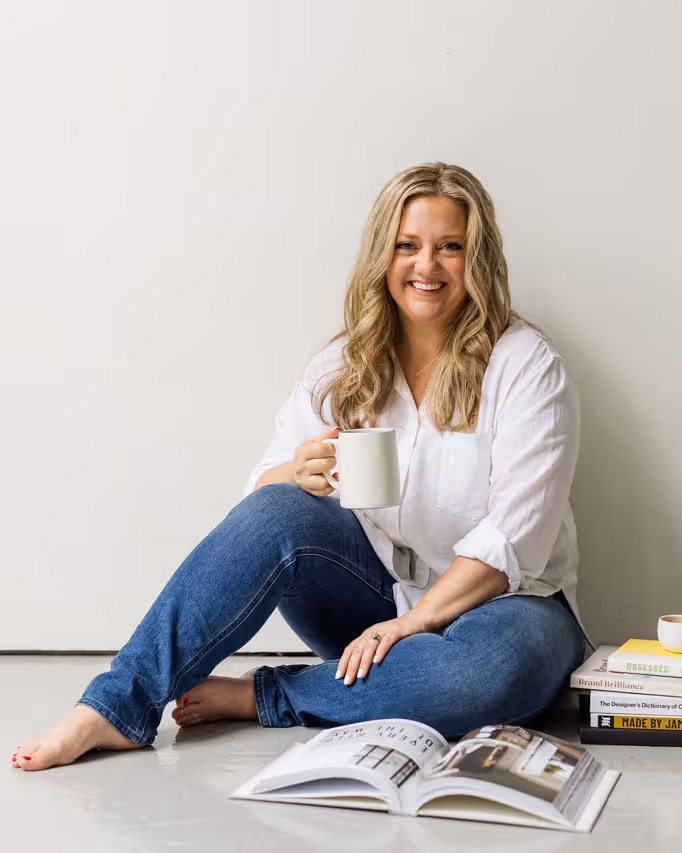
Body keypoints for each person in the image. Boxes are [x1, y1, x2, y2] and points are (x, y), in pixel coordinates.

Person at [11, 162, 586, 772]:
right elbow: (257, 507)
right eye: (407, 246)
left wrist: (412, 626)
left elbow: (511, 544)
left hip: (508, 612)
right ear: (381, 257)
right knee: (278, 511)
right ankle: (116, 706)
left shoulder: (526, 367)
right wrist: (296, 473)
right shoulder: (343, 364)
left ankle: (270, 695)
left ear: (478, 260)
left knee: (486, 677)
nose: (427, 266)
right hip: (375, 606)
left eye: (451, 247)